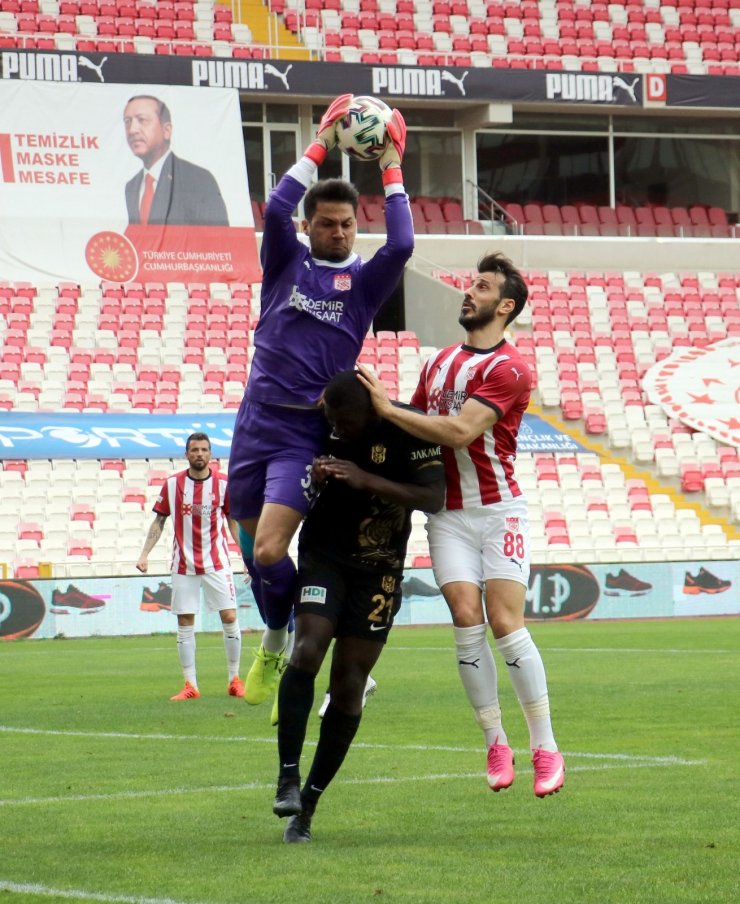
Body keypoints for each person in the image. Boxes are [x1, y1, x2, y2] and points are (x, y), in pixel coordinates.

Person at [227, 93, 414, 713]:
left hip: (304, 434)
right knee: (254, 555)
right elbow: (277, 204)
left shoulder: (360, 285)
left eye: (347, 225)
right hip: (252, 422)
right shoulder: (283, 263)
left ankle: (286, 643)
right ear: (310, 228)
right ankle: (277, 637)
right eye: (327, 223)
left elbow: (404, 245)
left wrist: (391, 166)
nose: (338, 232)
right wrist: (322, 143)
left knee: (270, 551)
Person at [358, 252, 566, 799]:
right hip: (447, 514)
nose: (467, 293)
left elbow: (455, 432)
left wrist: (384, 407)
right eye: (470, 284)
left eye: (481, 286)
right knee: (465, 615)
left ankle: (545, 745)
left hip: (500, 512)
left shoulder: (511, 368)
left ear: (506, 305)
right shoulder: (438, 362)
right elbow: (417, 436)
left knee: (504, 619)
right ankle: (496, 741)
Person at [272, 370, 445, 843]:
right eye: (331, 420)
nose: (337, 429)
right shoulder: (327, 421)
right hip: (324, 556)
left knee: (348, 686)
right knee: (306, 650)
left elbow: (434, 496)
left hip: (379, 570)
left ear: (371, 411)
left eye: (345, 422)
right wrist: (319, 475)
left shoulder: (410, 427)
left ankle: (306, 806)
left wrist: (365, 478)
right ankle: (287, 775)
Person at [136, 433, 244, 700]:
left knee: (229, 617)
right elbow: (158, 522)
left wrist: (246, 556)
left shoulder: (223, 484)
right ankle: (190, 685)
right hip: (183, 564)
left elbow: (233, 521)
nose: (199, 454)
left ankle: (234, 679)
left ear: (210, 454)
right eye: (194, 450)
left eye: (204, 449)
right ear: (187, 454)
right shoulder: (172, 485)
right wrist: (144, 554)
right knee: (186, 621)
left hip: (216, 562)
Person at [123, 95, 229, 227]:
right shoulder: (132, 186)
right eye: (127, 122)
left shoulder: (198, 179)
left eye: (142, 120)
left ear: (166, 130)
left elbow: (218, 238)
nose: (132, 130)